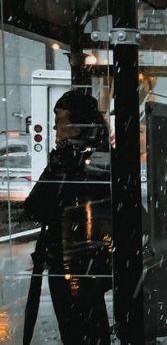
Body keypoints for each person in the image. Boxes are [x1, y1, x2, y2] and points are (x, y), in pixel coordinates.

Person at [23, 90, 112, 345]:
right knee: (93, 324)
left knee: (75, 329)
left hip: (69, 259)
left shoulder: (68, 161)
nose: (55, 128)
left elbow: (36, 206)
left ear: (75, 127)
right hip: (89, 260)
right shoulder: (99, 156)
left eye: (59, 121)